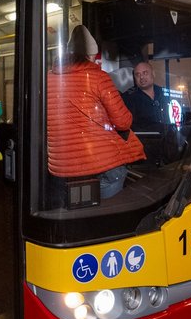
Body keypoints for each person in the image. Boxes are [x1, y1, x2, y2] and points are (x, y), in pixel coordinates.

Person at [47, 25, 145, 199]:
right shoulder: (98, 77)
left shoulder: (48, 79)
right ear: (90, 56)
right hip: (99, 162)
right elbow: (123, 121)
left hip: (60, 166)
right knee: (114, 182)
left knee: (79, 206)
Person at [122, 62, 167, 131]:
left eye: (145, 73)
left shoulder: (163, 93)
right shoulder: (128, 98)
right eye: (138, 75)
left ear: (153, 74)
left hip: (167, 138)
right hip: (143, 139)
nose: (141, 77)